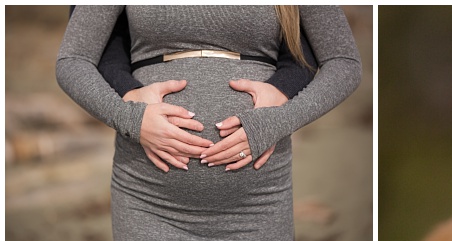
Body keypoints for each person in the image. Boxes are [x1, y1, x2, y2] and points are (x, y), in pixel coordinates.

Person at [55, 6, 362, 241]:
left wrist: (280, 120)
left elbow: (343, 62)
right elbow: (73, 60)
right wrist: (130, 117)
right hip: (149, 201)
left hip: (258, 204)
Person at [85, 5, 320, 174]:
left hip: (261, 199)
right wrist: (130, 113)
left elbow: (334, 58)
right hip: (146, 195)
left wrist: (280, 116)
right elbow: (84, 54)